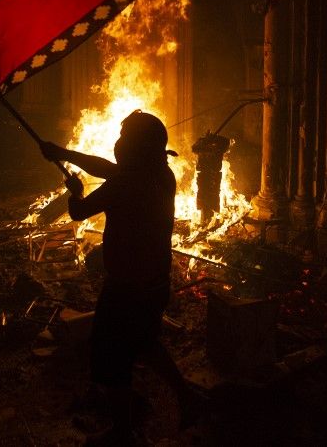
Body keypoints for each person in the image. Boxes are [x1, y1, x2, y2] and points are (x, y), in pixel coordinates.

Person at [40, 111, 203, 443]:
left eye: (125, 138)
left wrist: (75, 189)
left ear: (135, 147)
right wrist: (64, 153)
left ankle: (123, 433)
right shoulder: (161, 173)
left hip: (127, 288)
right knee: (145, 341)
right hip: (156, 281)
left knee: (110, 357)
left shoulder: (125, 183)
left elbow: (78, 212)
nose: (118, 143)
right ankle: (188, 398)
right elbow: (108, 170)